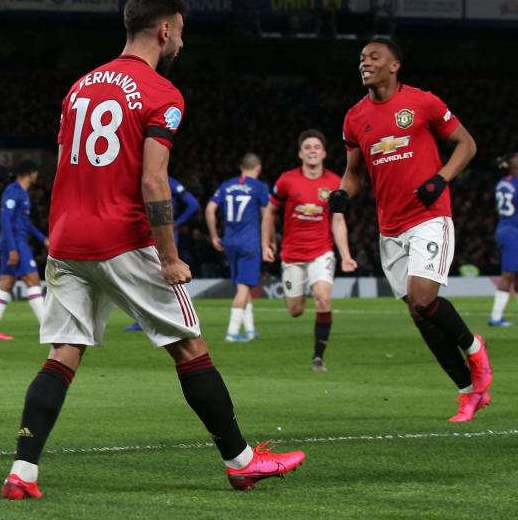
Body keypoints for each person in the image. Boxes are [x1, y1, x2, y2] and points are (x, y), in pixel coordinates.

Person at [1, 0, 304, 500]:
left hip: (68, 239)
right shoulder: (162, 92)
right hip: (124, 237)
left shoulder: (79, 87)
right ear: (164, 31)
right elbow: (154, 183)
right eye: (181, 32)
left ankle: (22, 473)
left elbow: (65, 166)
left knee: (63, 353)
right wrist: (168, 256)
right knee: (190, 346)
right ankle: (242, 461)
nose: (182, 41)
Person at [331, 36, 492, 422]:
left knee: (423, 298)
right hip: (390, 229)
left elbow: (467, 145)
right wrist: (341, 195)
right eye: (361, 58)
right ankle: (468, 392)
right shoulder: (355, 117)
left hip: (429, 216)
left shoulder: (423, 103)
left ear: (394, 65)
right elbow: (353, 174)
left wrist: (441, 179)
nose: (364, 63)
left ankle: (474, 348)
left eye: (374, 57)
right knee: (420, 315)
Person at [262, 130, 357, 371]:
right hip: (292, 255)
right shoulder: (286, 181)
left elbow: (337, 221)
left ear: (324, 153)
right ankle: (298, 294)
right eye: (307, 147)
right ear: (300, 154)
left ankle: (318, 356)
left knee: (323, 297)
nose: (312, 150)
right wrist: (266, 243)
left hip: (321, 251)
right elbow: (270, 212)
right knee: (295, 310)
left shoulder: (335, 183)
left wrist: (345, 255)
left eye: (316, 147)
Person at [206, 153, 269, 342]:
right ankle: (232, 332)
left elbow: (210, 209)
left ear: (242, 167)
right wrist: (269, 241)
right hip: (249, 242)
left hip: (230, 242)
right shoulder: (259, 187)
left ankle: (250, 330)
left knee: (243, 284)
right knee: (244, 287)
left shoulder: (227, 185)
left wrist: (214, 235)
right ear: (258, 168)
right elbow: (267, 216)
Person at [125, 175, 200, 332]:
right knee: (153, 274)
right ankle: (153, 317)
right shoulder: (162, 180)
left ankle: (164, 316)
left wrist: (177, 223)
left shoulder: (158, 180)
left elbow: (193, 204)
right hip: (158, 232)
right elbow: (193, 204)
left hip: (152, 233)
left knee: (153, 273)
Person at [0, 159, 48, 341]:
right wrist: (13, 248)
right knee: (33, 281)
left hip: (16, 242)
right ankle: (47, 327)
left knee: (6, 284)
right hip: (15, 243)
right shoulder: (13, 191)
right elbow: (5, 220)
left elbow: (25, 223)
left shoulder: (23, 193)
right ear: (30, 173)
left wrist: (43, 239)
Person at [489, 153, 518, 327]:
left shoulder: (503, 183)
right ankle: (495, 317)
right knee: (508, 275)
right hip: (512, 232)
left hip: (505, 227)